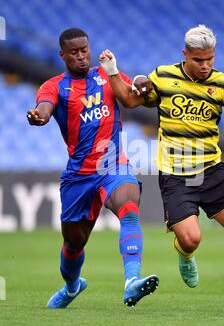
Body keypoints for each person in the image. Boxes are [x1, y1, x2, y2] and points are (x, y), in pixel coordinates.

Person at [99, 24, 224, 309]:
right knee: (192, 239)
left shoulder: (223, 84)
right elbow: (130, 100)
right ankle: (185, 254)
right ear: (185, 54)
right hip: (176, 175)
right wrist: (112, 71)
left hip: (211, 168)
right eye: (198, 60)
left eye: (210, 59)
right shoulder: (164, 76)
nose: (206, 65)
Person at [27, 28, 159, 308]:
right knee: (74, 244)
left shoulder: (106, 75)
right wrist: (40, 115)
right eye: (74, 52)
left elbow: (130, 88)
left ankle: (131, 282)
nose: (81, 56)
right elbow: (45, 106)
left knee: (129, 207)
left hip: (113, 165)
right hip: (79, 176)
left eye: (84, 49)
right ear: (62, 55)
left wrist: (141, 82)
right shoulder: (55, 85)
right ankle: (72, 287)